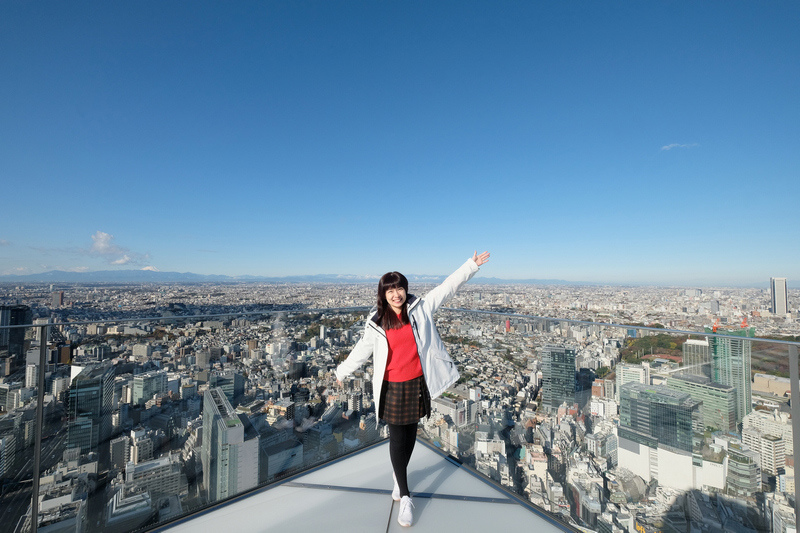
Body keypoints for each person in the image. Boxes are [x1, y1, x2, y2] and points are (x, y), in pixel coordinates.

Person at [335, 251, 490, 527]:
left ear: (406, 289)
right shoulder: (377, 321)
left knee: (409, 434)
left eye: (400, 288)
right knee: (397, 437)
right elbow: (363, 350)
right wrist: (342, 371)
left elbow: (447, 288)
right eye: (390, 290)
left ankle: (399, 476)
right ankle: (404, 495)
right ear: (383, 294)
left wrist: (471, 266)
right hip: (392, 386)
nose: (396, 294)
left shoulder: (420, 308)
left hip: (417, 382)